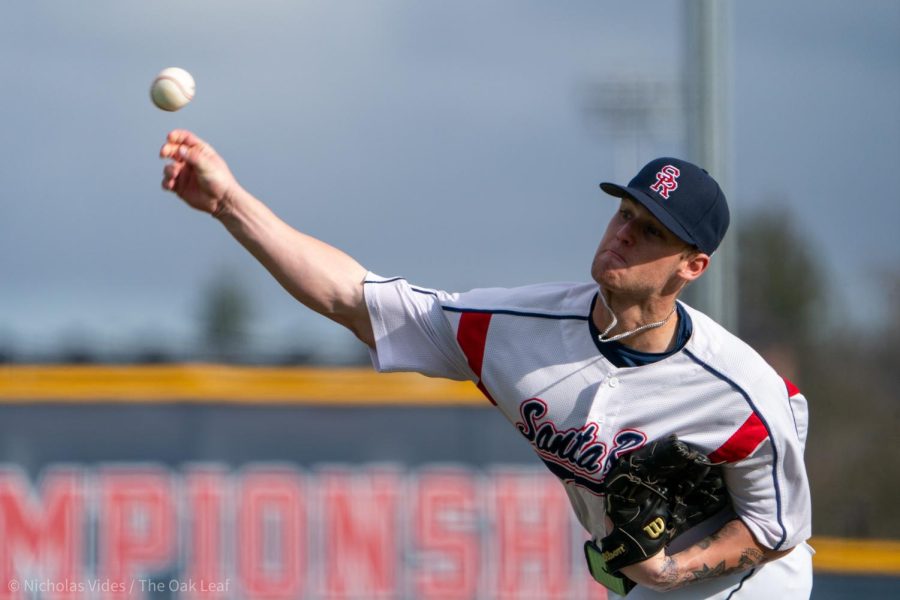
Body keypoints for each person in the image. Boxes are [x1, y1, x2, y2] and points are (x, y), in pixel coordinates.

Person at [159, 130, 813, 598]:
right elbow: (351, 297)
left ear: (692, 266)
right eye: (623, 213)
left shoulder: (744, 395)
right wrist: (228, 203)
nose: (622, 234)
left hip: (751, 581)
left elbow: (775, 528)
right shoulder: (513, 333)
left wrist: (671, 571)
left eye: (651, 231)